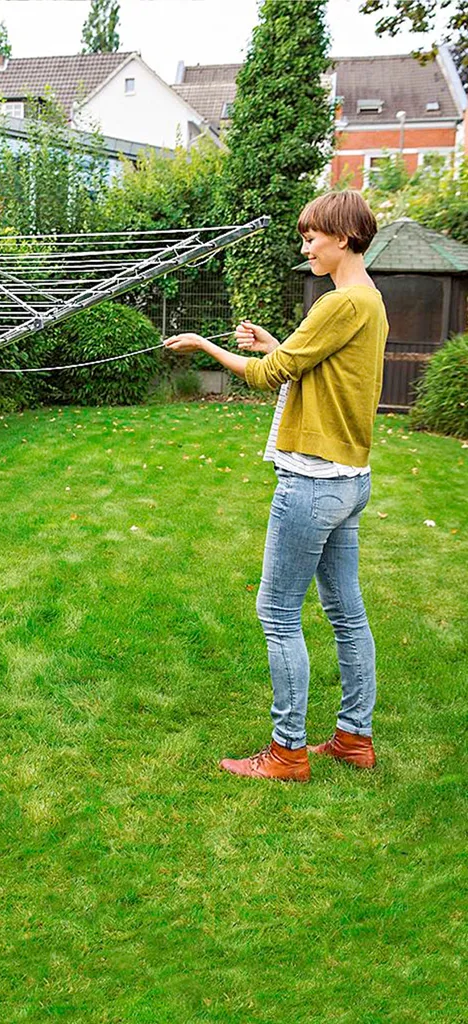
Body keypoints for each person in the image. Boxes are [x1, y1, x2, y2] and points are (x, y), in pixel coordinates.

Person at [164, 190, 389, 782]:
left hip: (313, 479)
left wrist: (203, 347)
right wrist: (273, 342)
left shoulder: (340, 303)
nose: (306, 245)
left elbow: (271, 377)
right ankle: (353, 739)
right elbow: (304, 361)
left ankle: (287, 751)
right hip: (349, 477)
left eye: (313, 235)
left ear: (343, 238)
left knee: (278, 613)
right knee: (346, 611)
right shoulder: (369, 301)